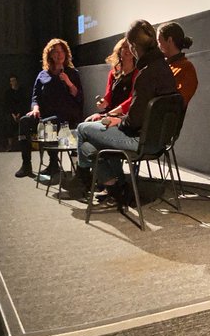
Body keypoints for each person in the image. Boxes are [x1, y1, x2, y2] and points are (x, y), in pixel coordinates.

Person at [66, 20, 178, 203]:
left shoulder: (146, 74)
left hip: (139, 140)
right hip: (159, 141)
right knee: (88, 146)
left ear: (134, 47)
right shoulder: (164, 69)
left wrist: (117, 120)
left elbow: (134, 121)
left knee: (83, 130)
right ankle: (115, 186)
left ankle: (86, 178)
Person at [14, 38, 83, 179]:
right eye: (55, 52)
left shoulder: (72, 73)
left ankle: (53, 163)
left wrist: (69, 83)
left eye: (61, 51)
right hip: (45, 115)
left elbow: (79, 96)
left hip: (65, 116)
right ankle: (26, 164)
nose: (59, 54)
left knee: (50, 123)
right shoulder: (42, 75)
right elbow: (35, 97)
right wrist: (35, 108)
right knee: (24, 121)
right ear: (50, 55)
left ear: (66, 53)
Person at [157, 22, 198, 108]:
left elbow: (177, 103)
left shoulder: (186, 68)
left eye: (159, 41)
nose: (158, 46)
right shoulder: (162, 66)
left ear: (169, 40)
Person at [3, 75, 26, 151]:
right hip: (11, 113)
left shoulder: (21, 91)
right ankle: (10, 145)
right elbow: (8, 105)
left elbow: (23, 103)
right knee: (9, 122)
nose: (13, 82)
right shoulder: (8, 92)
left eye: (14, 80)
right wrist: (13, 115)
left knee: (23, 122)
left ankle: (23, 144)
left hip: (21, 112)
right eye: (12, 81)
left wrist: (19, 114)